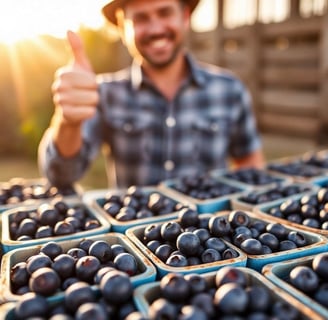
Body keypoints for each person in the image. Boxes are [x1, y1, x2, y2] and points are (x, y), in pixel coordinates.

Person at [38, 0, 265, 189]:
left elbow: (250, 164)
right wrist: (68, 122)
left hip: (209, 237)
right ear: (122, 27)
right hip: (133, 236)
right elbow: (61, 176)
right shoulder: (104, 93)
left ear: (184, 17)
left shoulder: (229, 89)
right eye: (141, 18)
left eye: (165, 13)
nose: (156, 29)